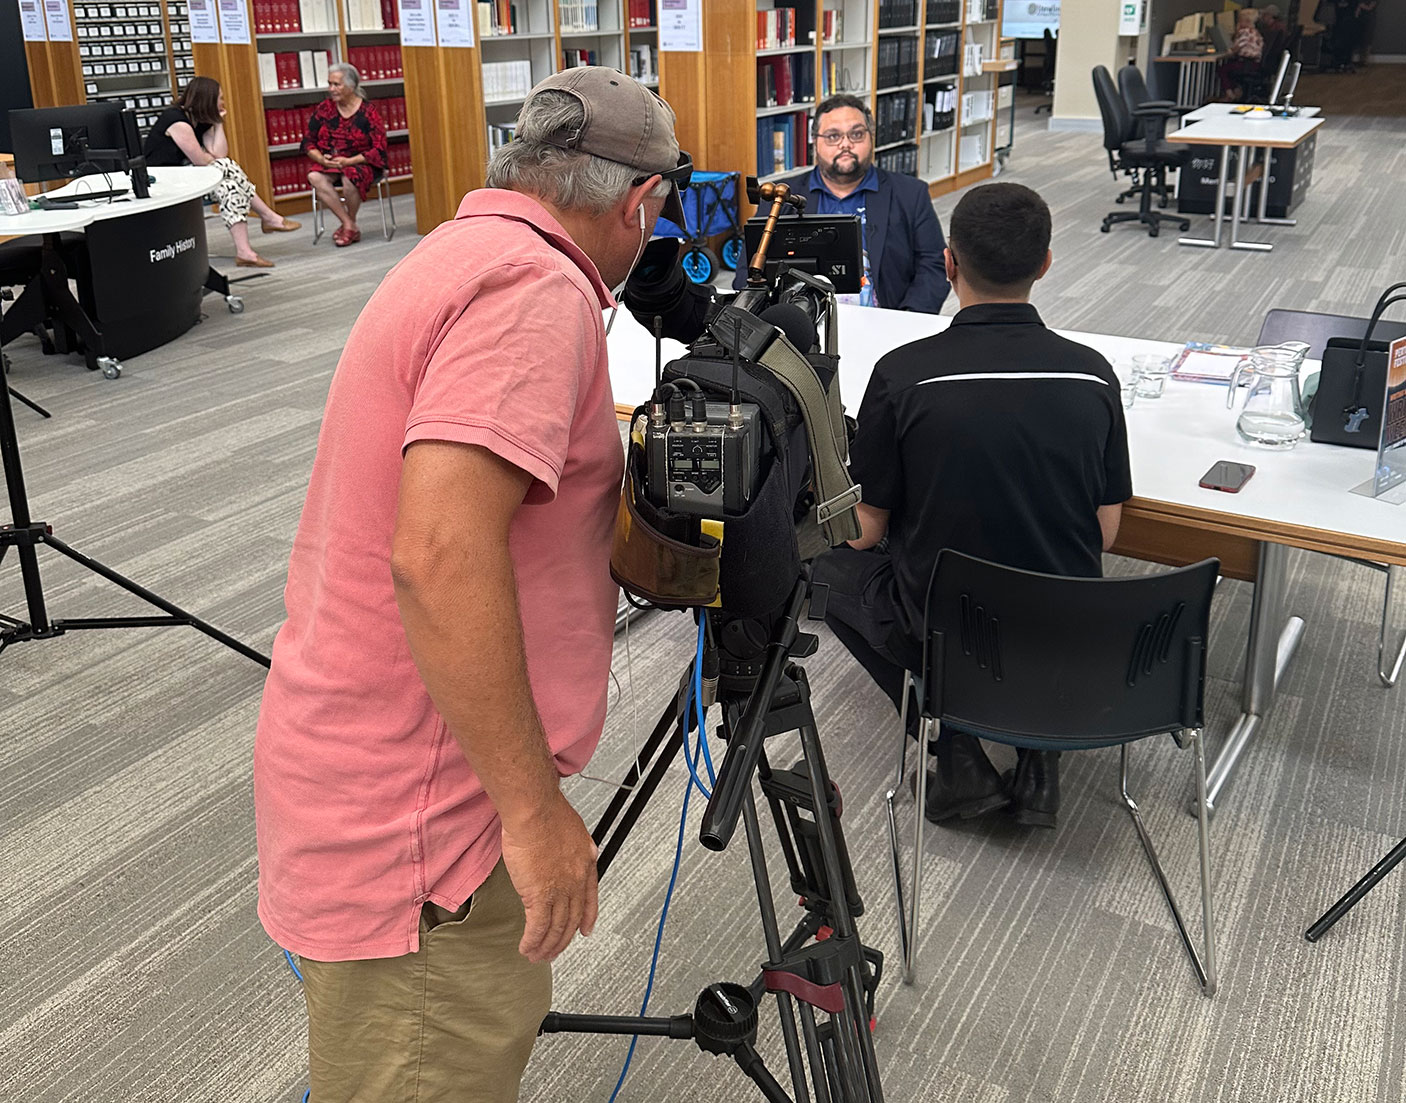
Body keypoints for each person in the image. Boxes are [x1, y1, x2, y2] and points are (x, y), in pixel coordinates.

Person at [254, 66, 688, 1103]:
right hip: (427, 822)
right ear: (636, 203)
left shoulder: (463, 247)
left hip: (365, 761)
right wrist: (534, 812)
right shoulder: (535, 290)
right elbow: (441, 553)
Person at [811, 183, 1132, 831]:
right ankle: (1040, 753)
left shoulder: (904, 375)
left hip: (945, 629)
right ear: (1045, 264)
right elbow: (1106, 530)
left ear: (949, 263)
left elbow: (866, 534)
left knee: (822, 568)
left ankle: (955, 747)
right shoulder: (1094, 374)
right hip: (1060, 630)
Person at [733, 93, 948, 313]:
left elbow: (933, 266)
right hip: (801, 325)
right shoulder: (782, 197)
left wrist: (907, 321)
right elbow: (747, 272)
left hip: (887, 320)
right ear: (815, 141)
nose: (845, 144)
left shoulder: (910, 194)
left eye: (856, 134)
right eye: (833, 136)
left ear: (871, 137)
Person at [143, 76, 300, 268]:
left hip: (187, 175)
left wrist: (217, 123)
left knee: (229, 186)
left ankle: (247, 251)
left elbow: (219, 153)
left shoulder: (201, 119)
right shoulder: (176, 120)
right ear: (208, 100)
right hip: (164, 179)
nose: (223, 102)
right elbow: (201, 161)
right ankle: (267, 219)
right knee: (226, 170)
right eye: (220, 98)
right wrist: (211, 157)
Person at [302, 62, 389, 247]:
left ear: (351, 86)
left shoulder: (368, 112)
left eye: (336, 85)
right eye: (330, 84)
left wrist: (349, 161)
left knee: (350, 178)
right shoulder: (325, 109)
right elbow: (308, 141)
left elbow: (379, 148)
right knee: (314, 176)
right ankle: (349, 224)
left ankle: (348, 225)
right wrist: (320, 158)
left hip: (363, 162)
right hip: (332, 162)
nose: (331, 89)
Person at [1220, 8, 1265, 99]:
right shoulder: (1256, 33)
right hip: (1255, 64)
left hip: (1245, 63)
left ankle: (1230, 94)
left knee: (1222, 70)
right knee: (1230, 69)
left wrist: (1228, 51)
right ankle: (1236, 91)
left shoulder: (1244, 32)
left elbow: (1237, 47)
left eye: (1240, 20)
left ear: (1245, 21)